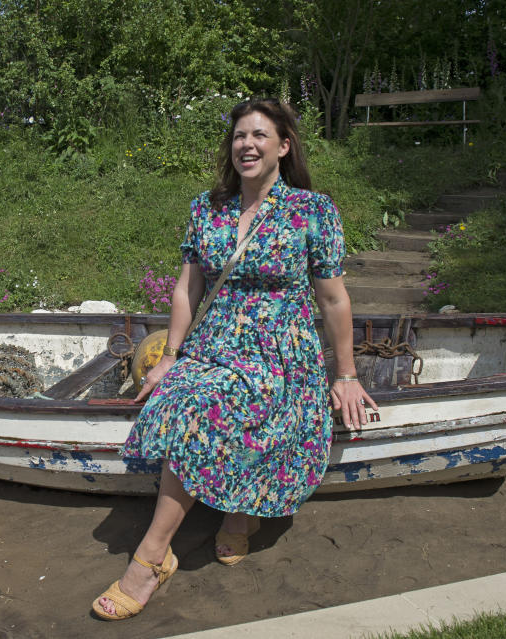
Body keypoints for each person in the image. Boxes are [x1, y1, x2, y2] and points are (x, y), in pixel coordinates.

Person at [91, 98, 378, 621]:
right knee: (184, 401)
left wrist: (347, 374)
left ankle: (164, 551)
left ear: (283, 147)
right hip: (214, 346)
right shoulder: (208, 208)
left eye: (260, 135)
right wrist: (170, 356)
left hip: (280, 353)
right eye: (239, 136)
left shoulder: (312, 211)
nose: (246, 144)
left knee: (222, 405)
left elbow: (334, 299)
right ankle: (177, 546)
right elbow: (187, 288)